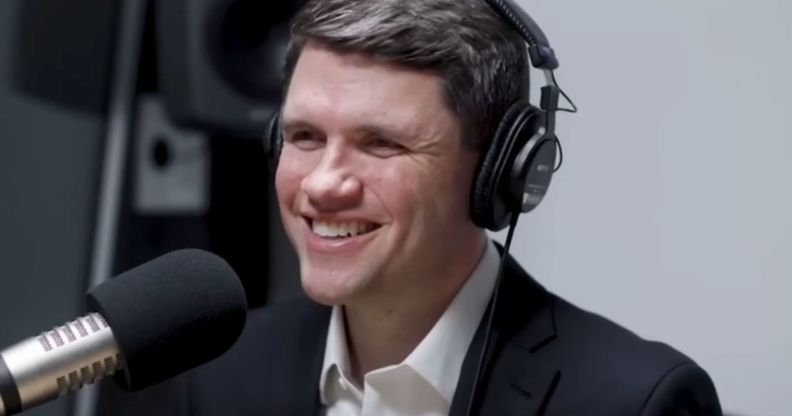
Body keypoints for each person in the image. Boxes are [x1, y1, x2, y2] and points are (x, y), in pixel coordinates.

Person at [98, 0, 722, 415]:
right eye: (305, 137)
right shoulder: (226, 375)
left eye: (381, 143)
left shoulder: (635, 401)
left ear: (497, 171)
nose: (322, 184)